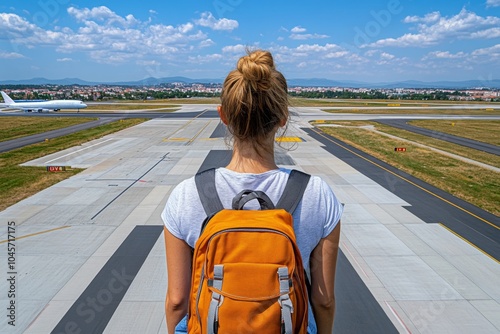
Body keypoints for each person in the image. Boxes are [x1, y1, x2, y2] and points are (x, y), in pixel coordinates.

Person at [162, 49, 343, 334]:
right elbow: (324, 300)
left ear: (223, 116)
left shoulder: (186, 194)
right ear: (283, 117)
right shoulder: (317, 193)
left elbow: (177, 301)